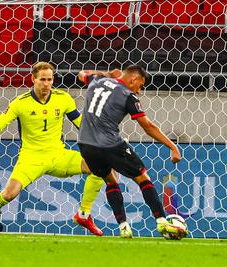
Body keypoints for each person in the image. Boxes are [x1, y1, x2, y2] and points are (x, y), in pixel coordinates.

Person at [0, 62, 104, 236]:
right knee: (8, 194)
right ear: (33, 79)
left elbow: (82, 124)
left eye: (50, 79)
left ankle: (83, 214)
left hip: (58, 155)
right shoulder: (20, 103)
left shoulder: (63, 98)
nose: (47, 84)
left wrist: (106, 139)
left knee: (100, 167)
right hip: (31, 158)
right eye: (42, 79)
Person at [77, 65, 188, 238]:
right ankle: (161, 222)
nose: (140, 90)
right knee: (143, 177)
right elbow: (148, 127)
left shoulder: (97, 81)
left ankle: (123, 227)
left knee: (111, 181)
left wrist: (107, 74)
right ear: (134, 79)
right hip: (109, 144)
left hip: (85, 144)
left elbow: (81, 74)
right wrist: (173, 147)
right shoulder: (128, 96)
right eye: (141, 85)